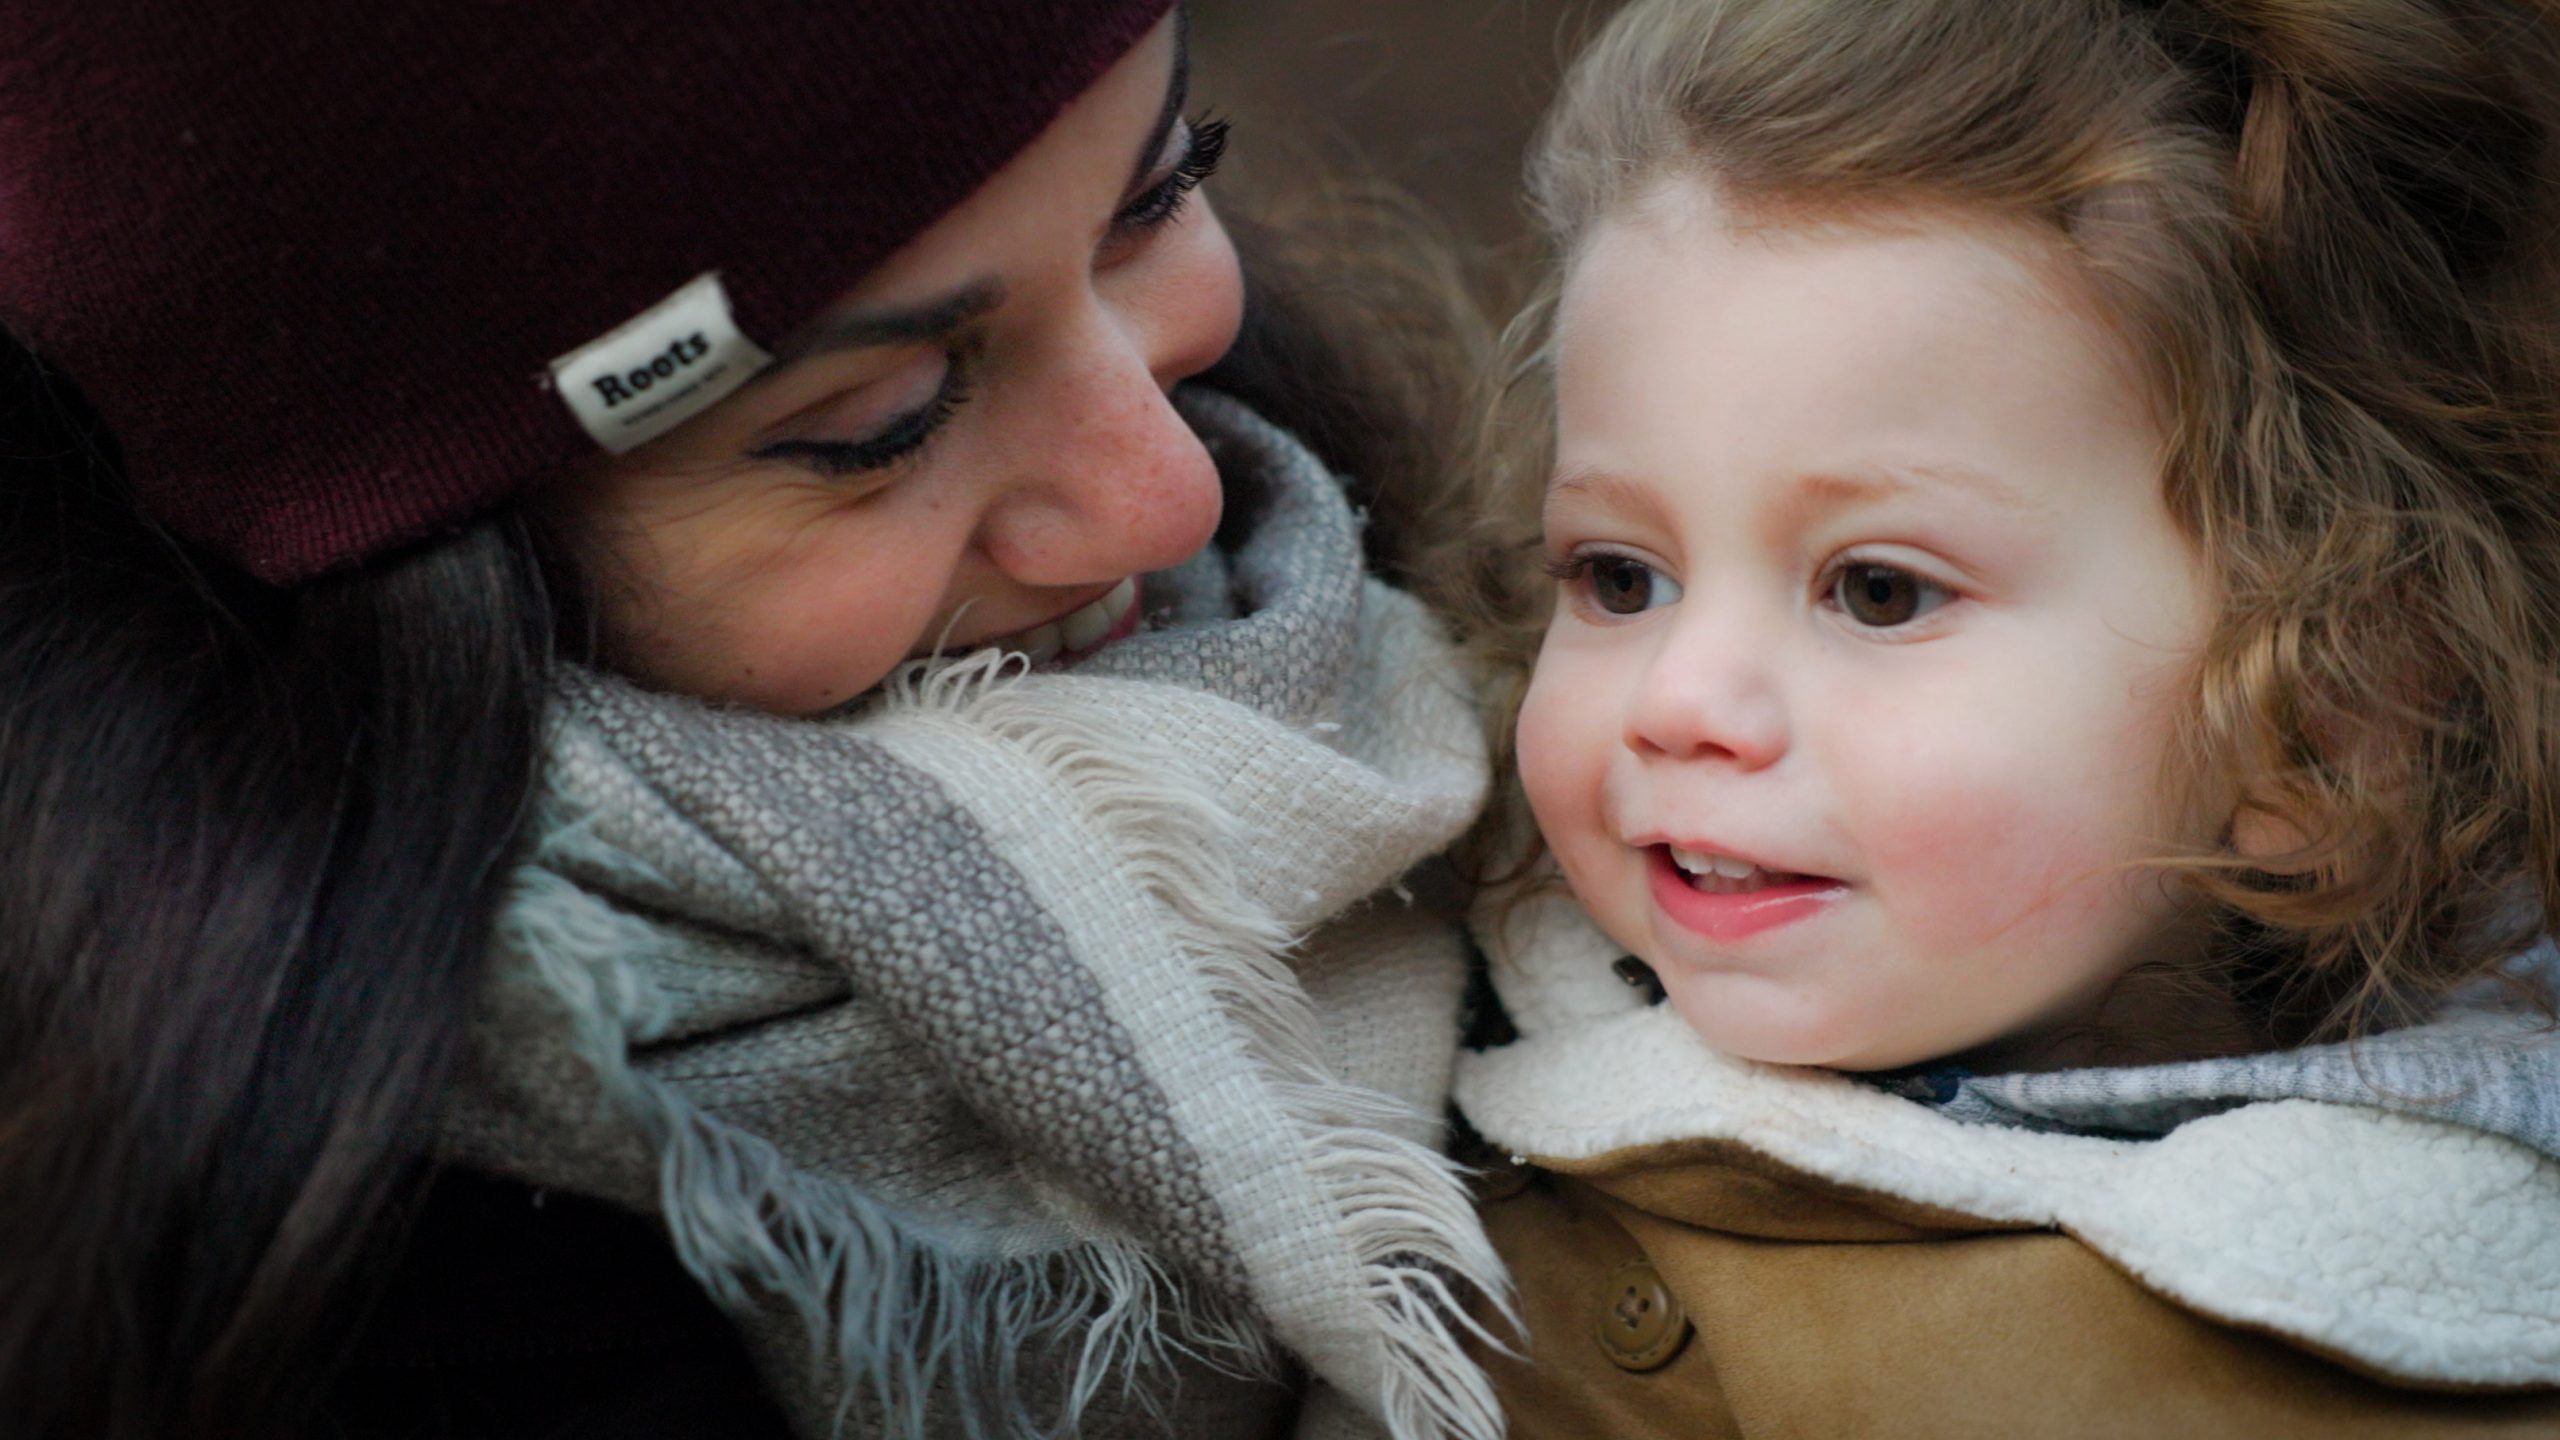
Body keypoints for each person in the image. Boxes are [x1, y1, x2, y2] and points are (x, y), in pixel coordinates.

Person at [0, 4, 1510, 1438]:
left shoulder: (1554, 632)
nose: (1166, 491)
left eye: (1156, 195)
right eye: (883, 421)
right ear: (438, 567)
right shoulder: (351, 1297)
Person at [1447, 0, 2560, 1433]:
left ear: (2321, 718)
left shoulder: (2418, 1337)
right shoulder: (1394, 990)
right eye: (1619, 575)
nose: (1678, 701)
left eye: (1881, 594)